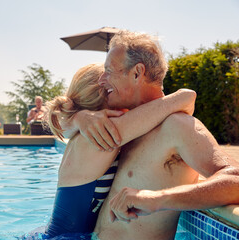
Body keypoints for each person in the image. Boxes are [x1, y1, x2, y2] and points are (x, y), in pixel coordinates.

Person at [63, 30, 239, 240]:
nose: (102, 80)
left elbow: (234, 180)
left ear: (137, 72)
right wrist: (78, 117)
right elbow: (60, 117)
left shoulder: (177, 126)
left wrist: (157, 198)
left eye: (109, 71)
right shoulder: (127, 124)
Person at [37, 63, 196, 239]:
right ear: (107, 96)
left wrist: (77, 117)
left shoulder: (85, 134)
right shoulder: (100, 137)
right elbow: (185, 98)